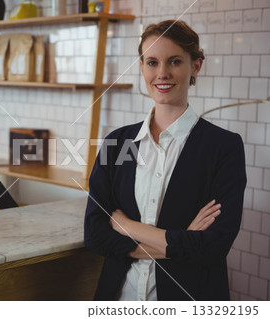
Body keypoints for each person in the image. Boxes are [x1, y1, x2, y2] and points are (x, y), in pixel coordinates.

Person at [84, 20, 247, 301]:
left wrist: (127, 227)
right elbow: (95, 234)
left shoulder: (224, 147)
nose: (162, 74)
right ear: (141, 67)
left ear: (196, 66)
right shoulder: (117, 143)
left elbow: (212, 246)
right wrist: (181, 239)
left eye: (174, 61)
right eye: (152, 62)